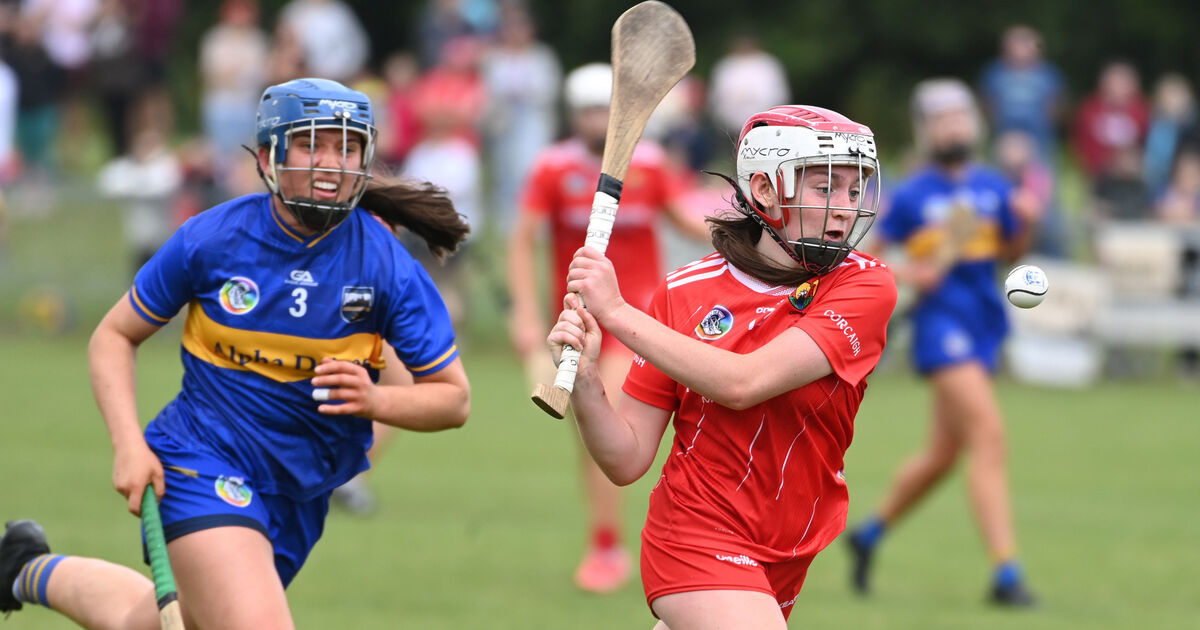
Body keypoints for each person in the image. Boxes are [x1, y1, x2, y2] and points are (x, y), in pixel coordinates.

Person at [0, 78, 471, 629]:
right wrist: (129, 445)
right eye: (311, 144)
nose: (332, 163)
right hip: (201, 461)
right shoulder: (212, 239)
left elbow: (452, 400)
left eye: (347, 148)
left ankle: (22, 567)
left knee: (150, 624)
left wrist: (374, 400)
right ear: (271, 156)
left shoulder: (385, 264)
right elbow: (113, 336)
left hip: (299, 490)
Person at [548, 104, 894, 627]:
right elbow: (625, 459)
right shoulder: (685, 291)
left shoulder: (864, 285)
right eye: (825, 189)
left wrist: (617, 312)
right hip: (694, 532)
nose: (845, 207)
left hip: (788, 546)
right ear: (764, 190)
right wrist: (589, 380)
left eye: (854, 189)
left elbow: (744, 382)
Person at [508, 62, 707, 594]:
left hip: (637, 321)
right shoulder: (553, 168)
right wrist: (525, 314)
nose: (600, 119)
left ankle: (610, 548)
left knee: (612, 419)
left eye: (607, 108)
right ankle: (606, 541)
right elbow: (522, 240)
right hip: (576, 323)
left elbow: (691, 221)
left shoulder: (653, 165)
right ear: (576, 114)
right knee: (589, 440)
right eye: (591, 109)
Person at [845, 78, 1041, 607]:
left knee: (942, 456)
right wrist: (912, 274)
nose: (952, 126)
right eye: (941, 119)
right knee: (990, 436)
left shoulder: (995, 187)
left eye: (959, 116)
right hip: (939, 328)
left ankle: (868, 534)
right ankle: (1006, 573)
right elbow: (867, 261)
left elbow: (1011, 254)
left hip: (983, 325)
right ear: (926, 129)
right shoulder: (910, 195)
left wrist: (1025, 224)